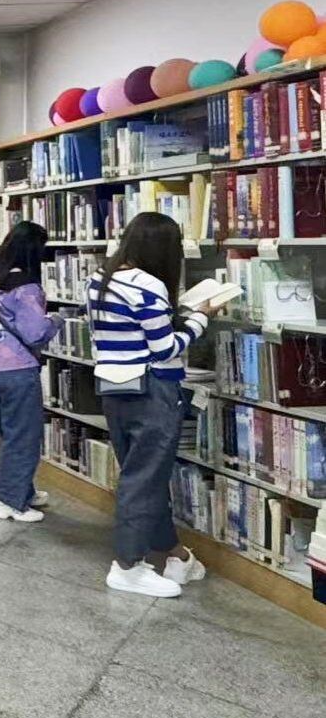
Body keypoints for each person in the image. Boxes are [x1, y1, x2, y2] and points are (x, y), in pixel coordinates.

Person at [87, 211, 216, 598]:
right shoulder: (149, 286)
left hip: (113, 387)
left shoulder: (100, 278)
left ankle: (176, 555)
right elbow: (164, 349)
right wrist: (200, 319)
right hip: (151, 389)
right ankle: (127, 566)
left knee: (143, 475)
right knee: (144, 478)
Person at [0, 221, 59, 523]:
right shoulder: (26, 287)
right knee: (24, 437)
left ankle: (23, 491)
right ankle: (8, 502)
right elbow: (35, 333)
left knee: (11, 433)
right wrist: (56, 321)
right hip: (17, 368)